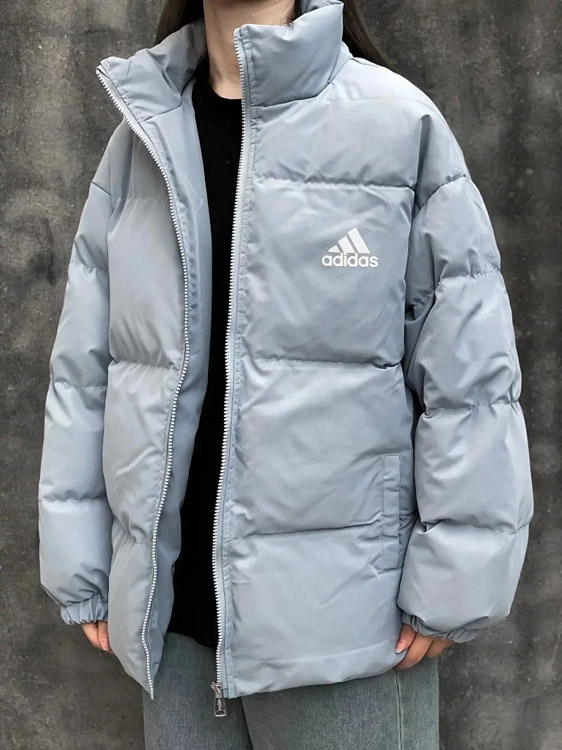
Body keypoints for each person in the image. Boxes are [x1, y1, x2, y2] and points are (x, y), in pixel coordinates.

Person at [37, 0, 534, 747]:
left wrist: (456, 580)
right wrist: (85, 563)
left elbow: (470, 381)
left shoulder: (397, 125)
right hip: (173, 630)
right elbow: (86, 370)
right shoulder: (144, 134)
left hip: (347, 636)